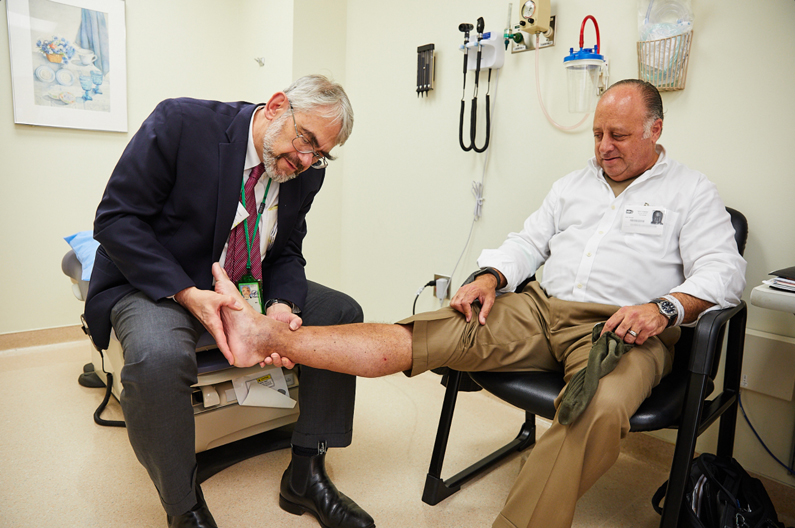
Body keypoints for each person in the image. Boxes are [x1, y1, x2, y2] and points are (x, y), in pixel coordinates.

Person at [211, 79, 747, 527]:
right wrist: (490, 275)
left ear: (655, 131)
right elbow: (528, 242)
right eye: (598, 134)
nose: (604, 145)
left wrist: (667, 307)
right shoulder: (573, 185)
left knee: (592, 407)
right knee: (424, 334)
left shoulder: (690, 193)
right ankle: (273, 337)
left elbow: (724, 273)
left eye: (619, 135)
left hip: (625, 330)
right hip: (538, 309)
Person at [84, 75, 374, 528]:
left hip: (242, 284)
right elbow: (116, 218)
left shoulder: (303, 174)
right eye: (306, 141)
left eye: (320, 154)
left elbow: (287, 250)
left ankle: (306, 471)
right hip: (160, 282)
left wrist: (283, 306)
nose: (306, 160)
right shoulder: (182, 122)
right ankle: (183, 507)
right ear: (277, 106)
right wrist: (187, 292)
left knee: (341, 315)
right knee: (158, 356)